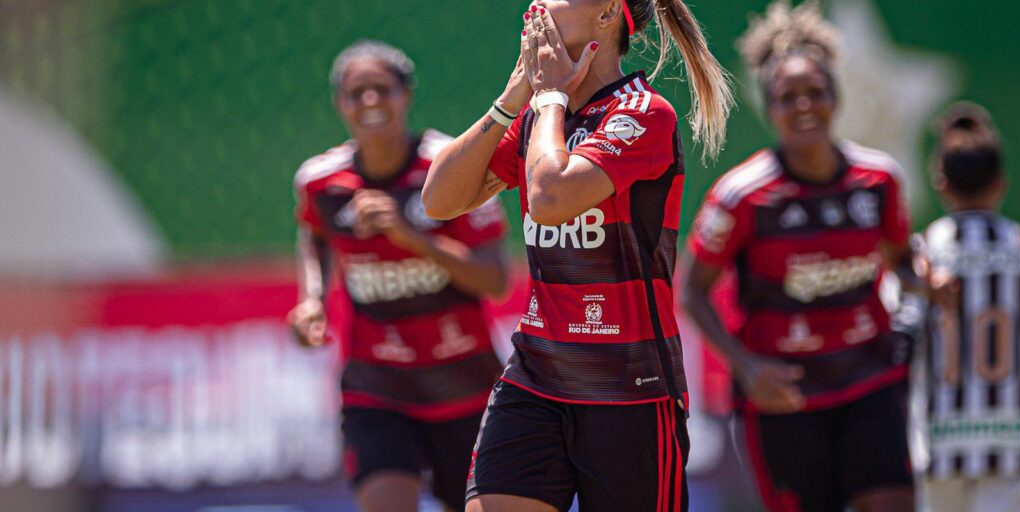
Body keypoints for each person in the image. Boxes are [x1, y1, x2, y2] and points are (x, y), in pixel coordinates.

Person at [422, 1, 733, 510]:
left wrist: (548, 99)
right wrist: (511, 100)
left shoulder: (643, 113)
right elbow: (438, 201)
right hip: (535, 377)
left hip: (629, 387)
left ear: (609, 12)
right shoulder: (535, 117)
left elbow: (549, 198)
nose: (536, 4)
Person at [680, 1, 917, 510]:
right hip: (784, 398)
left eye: (815, 92)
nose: (804, 106)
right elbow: (692, 291)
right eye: (788, 97)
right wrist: (746, 368)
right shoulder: (742, 196)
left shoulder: (879, 180)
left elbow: (901, 261)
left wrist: (926, 280)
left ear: (836, 96)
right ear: (770, 108)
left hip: (869, 383)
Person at [287, 40, 509, 512]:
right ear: (339, 104)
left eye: (382, 90)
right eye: (357, 93)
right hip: (377, 387)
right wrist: (312, 300)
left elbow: (494, 279)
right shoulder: (321, 181)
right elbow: (315, 233)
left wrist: (410, 238)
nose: (370, 102)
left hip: (465, 385)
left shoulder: (450, 165)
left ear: (405, 95)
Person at [908, 102, 1020, 512]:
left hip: (940, 441)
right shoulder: (1019, 247)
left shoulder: (923, 256)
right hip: (1012, 441)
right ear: (1001, 183)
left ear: (941, 183)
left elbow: (901, 336)